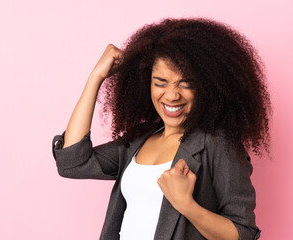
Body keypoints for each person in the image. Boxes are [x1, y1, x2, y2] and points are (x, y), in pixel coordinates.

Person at [52, 17, 271, 240]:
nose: (172, 95)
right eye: (160, 82)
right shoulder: (138, 141)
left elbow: (244, 233)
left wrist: (186, 205)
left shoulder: (218, 145)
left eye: (186, 83)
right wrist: (95, 78)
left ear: (206, 85)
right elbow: (72, 163)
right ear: (146, 83)